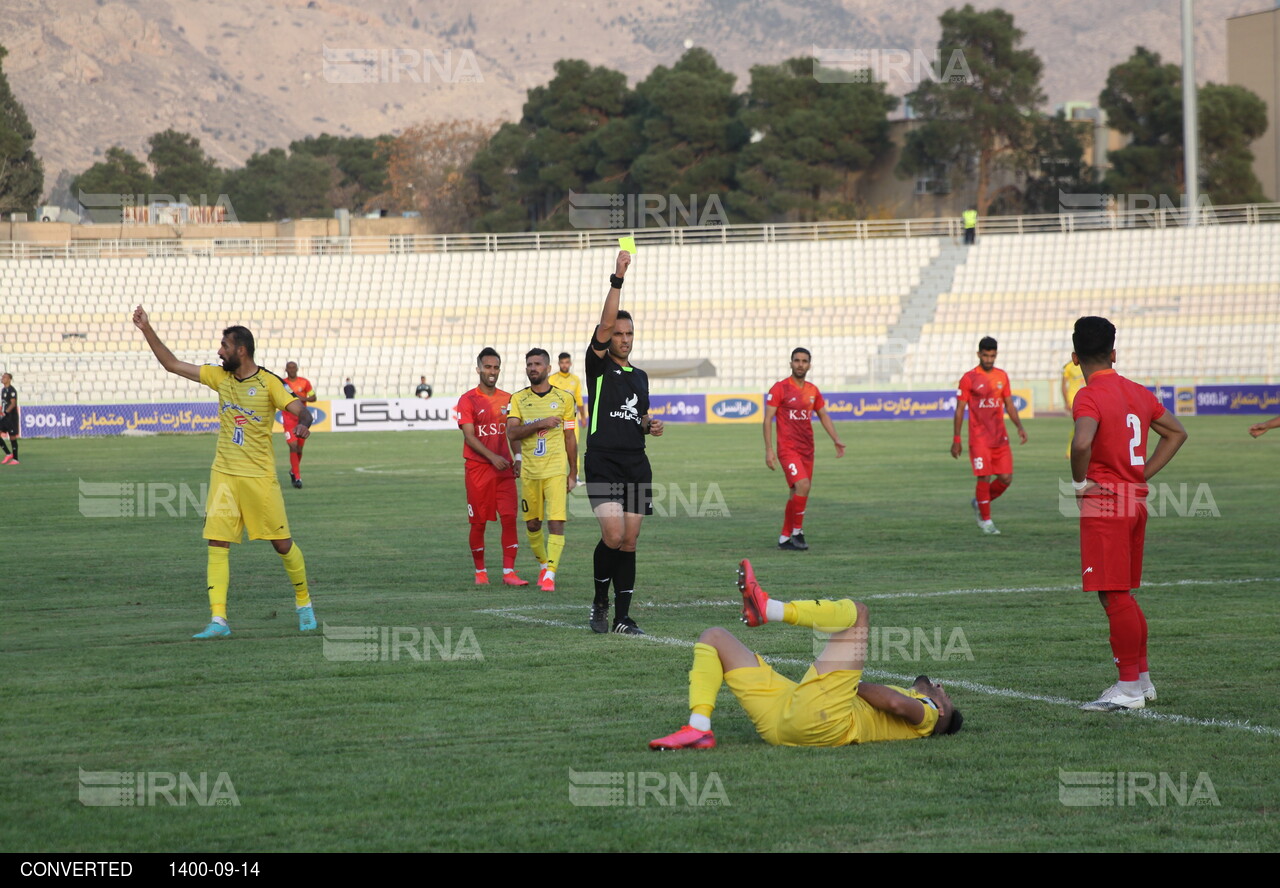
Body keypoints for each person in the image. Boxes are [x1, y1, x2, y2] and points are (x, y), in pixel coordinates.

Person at [132, 306, 317, 639]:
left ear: (240, 350)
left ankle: (304, 604)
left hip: (259, 478)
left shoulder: (269, 383)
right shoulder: (219, 378)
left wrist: (303, 426)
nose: (219, 351)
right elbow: (172, 364)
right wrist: (147, 329)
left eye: (224, 346)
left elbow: (302, 411)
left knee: (282, 544)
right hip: (224, 475)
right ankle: (219, 620)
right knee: (217, 543)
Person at [649, 559, 963, 749]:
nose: (941, 688)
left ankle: (769, 609)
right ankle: (699, 728)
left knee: (859, 613)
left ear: (943, 711)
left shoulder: (930, 714)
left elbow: (895, 702)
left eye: (946, 696)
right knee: (715, 638)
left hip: (826, 720)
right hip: (783, 723)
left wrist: (848, 685)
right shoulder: (920, 710)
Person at [1070, 316, 1187, 712]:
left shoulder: (1088, 395)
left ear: (1075, 358)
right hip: (1134, 503)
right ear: (1114, 353)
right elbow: (1176, 433)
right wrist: (1141, 474)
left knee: (1115, 596)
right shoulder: (1137, 391)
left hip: (1105, 504)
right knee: (1124, 595)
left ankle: (1128, 689)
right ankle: (1142, 680)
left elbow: (1082, 440)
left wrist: (1079, 483)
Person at [584, 250, 663, 636]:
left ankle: (622, 617)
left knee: (629, 543)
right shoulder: (597, 367)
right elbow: (602, 322)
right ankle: (600, 601)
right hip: (602, 461)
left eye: (629, 334)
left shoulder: (641, 377)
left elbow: (639, 418)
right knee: (612, 536)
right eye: (618, 333)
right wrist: (618, 277)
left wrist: (650, 425)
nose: (624, 339)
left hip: (636, 463)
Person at [455, 348, 528, 587]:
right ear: (479, 369)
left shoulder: (509, 399)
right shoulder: (468, 399)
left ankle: (509, 573)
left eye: (496, 367)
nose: (492, 371)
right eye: (487, 367)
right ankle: (481, 573)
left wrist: (517, 457)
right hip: (478, 470)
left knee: (509, 517)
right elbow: (469, 436)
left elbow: (513, 432)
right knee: (479, 522)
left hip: (504, 469)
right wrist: (492, 457)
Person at [507, 349, 578, 592]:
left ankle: (550, 574)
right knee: (533, 525)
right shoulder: (518, 399)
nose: (533, 368)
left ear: (548, 368)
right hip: (530, 472)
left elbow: (570, 437)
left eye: (537, 364)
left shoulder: (565, 399)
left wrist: (573, 473)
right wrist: (540, 423)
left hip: (556, 470)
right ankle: (543, 565)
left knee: (556, 522)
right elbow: (512, 433)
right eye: (529, 364)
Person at [763, 348, 846, 550]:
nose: (800, 364)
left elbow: (823, 415)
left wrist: (835, 438)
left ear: (809, 365)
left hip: (807, 449)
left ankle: (784, 538)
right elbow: (767, 419)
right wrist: (769, 449)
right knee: (803, 485)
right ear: (790, 363)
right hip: (788, 449)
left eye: (804, 361)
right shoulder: (780, 388)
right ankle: (798, 532)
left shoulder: (812, 390)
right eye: (797, 360)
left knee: (796, 492)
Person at [950, 336, 1027, 534]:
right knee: (983, 478)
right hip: (979, 438)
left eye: (992, 356)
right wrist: (956, 439)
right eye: (985, 355)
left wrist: (1019, 426)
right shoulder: (969, 378)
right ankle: (986, 521)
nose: (989, 360)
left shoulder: (1002, 376)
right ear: (979, 354)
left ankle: (980, 502)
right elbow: (959, 410)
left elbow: (1009, 403)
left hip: (1000, 437)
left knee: (1006, 478)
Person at [282, 361, 316, 489]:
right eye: (289, 368)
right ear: (286, 370)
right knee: (293, 446)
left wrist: (303, 399)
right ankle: (297, 477)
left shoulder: (305, 382)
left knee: (299, 449)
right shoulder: (282, 383)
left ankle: (292, 471)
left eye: (293, 368)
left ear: (297, 369)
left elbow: (313, 397)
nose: (291, 370)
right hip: (288, 420)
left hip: (302, 420)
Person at [549, 353, 588, 431]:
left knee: (573, 441)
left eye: (567, 362)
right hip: (557, 416)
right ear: (559, 364)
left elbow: (578, 398)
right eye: (562, 363)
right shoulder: (552, 379)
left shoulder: (575, 379)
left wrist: (583, 417)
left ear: (570, 364)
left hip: (572, 416)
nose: (564, 365)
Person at [1061, 357, 1086, 459]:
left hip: (1086, 397)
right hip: (1074, 399)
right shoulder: (1068, 367)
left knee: (1082, 425)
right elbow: (1063, 385)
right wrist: (1066, 401)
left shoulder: (1086, 364)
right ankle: (1070, 451)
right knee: (1078, 424)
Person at [0, 372, 19, 465]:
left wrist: (6, 412)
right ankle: (8, 453)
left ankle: (15, 459)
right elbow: (4, 403)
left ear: (9, 379)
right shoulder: (3, 390)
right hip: (4, 416)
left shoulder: (12, 390)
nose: (2, 378)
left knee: (12, 437)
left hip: (11, 417)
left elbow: (13, 403)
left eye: (4, 377)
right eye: (2, 377)